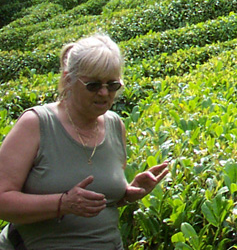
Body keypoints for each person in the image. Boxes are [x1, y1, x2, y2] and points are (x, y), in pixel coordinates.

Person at [0, 34, 169, 250]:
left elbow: (97, 202)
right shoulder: (35, 124)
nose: (104, 93)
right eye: (93, 85)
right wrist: (62, 203)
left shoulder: (116, 126)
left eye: (113, 85)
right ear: (69, 78)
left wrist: (127, 193)